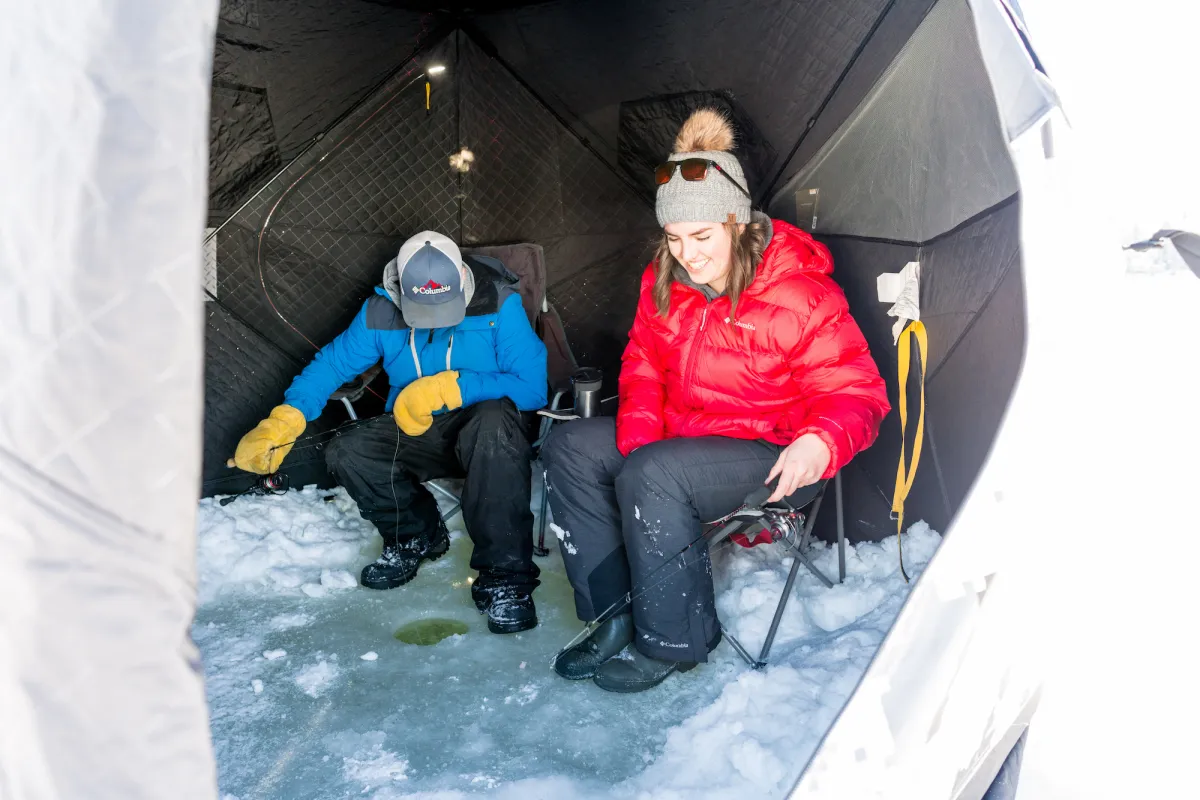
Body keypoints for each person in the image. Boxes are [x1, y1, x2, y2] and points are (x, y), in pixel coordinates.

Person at [541, 109, 890, 692]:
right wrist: (639, 440)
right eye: (675, 240)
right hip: (683, 439)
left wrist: (820, 439)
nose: (688, 254)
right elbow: (644, 360)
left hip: (774, 451)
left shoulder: (798, 292)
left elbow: (858, 393)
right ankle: (613, 613)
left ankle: (675, 640)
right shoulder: (665, 280)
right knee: (573, 445)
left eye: (702, 237)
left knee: (656, 474)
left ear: (738, 223)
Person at [232, 231, 548, 633]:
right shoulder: (380, 312)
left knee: (491, 421)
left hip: (487, 430)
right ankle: (416, 536)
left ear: (463, 280)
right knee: (349, 450)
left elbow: (533, 386)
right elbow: (331, 365)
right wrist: (287, 417)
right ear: (401, 290)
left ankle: (506, 581)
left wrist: (453, 387)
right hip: (415, 426)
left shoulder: (499, 303)